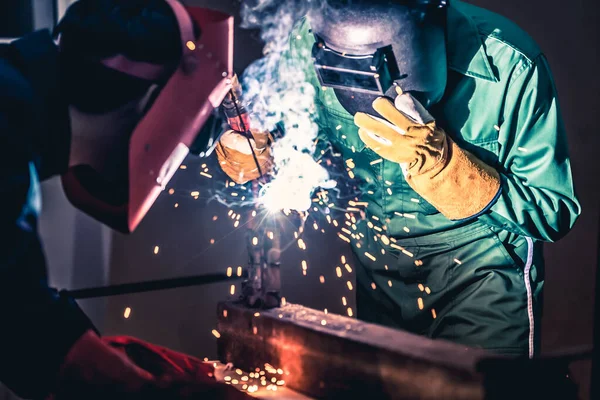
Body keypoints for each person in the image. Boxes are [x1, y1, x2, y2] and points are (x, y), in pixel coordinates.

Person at [216, 0, 581, 358]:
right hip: (378, 281)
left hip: (480, 282)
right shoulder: (311, 41)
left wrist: (449, 169)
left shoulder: (510, 64)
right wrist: (265, 150)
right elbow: (299, 136)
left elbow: (553, 212)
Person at [0, 0, 246, 398]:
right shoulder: (7, 121)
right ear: (149, 100)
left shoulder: (15, 102)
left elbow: (15, 308)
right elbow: (15, 310)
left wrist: (89, 348)